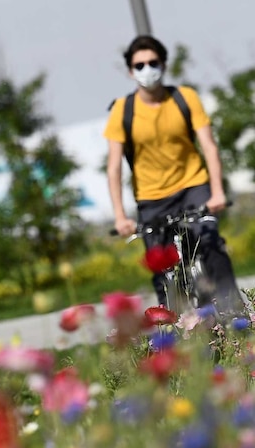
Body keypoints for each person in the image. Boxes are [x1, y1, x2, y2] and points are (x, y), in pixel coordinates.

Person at [104, 35, 244, 316]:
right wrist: (120, 216)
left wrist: (216, 192)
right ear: (131, 71)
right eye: (139, 65)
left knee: (210, 243)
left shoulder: (184, 98)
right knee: (162, 268)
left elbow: (208, 145)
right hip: (152, 198)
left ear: (163, 64)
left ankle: (238, 319)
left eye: (152, 62)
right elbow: (114, 166)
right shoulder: (123, 110)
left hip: (193, 185)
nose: (147, 69)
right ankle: (175, 332)